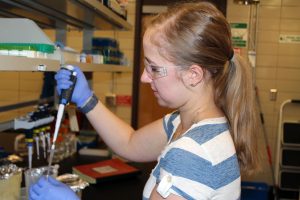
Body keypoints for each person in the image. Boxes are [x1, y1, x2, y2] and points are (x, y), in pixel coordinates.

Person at [29, 1, 260, 200]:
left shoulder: (193, 152)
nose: (143, 77)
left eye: (154, 68)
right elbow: (129, 143)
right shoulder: (185, 123)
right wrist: (86, 98)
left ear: (193, 74)